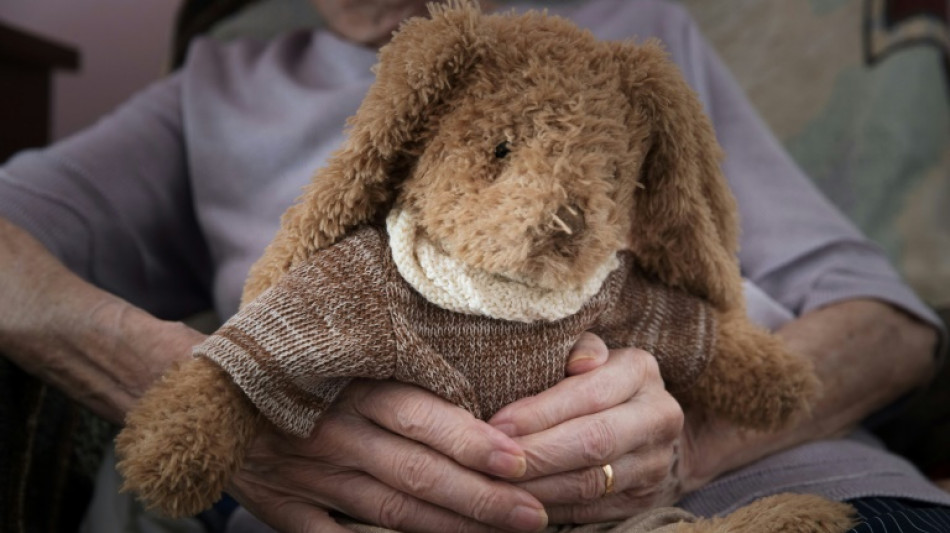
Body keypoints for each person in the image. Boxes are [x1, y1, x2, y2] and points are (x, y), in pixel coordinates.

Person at [1, 0, 948, 532]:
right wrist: (224, 388)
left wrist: (685, 444)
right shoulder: (220, 84)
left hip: (759, 491)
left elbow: (887, 321)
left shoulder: (634, 34)